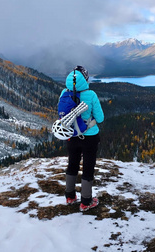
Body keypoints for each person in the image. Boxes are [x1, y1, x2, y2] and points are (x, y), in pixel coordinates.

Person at [60, 65, 104, 211]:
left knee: (72, 164)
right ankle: (86, 201)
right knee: (88, 167)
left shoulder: (64, 93)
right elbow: (100, 118)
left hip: (71, 136)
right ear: (85, 79)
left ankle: (70, 196)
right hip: (90, 137)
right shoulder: (91, 95)